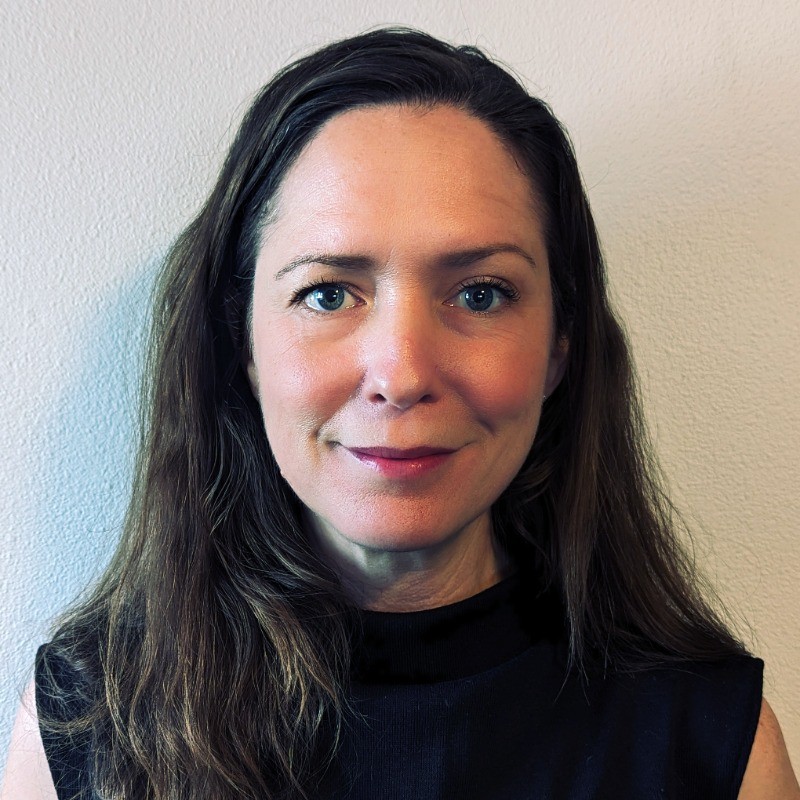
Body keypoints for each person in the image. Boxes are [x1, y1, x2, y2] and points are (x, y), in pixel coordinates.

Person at [2, 27, 798, 800]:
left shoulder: (713, 744)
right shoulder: (89, 727)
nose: (403, 373)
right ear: (240, 341)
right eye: (327, 293)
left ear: (562, 344)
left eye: (480, 294)